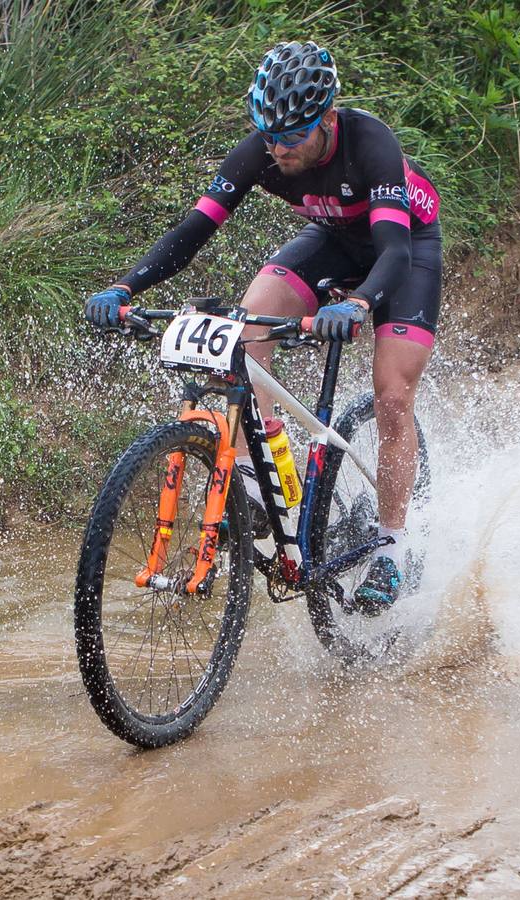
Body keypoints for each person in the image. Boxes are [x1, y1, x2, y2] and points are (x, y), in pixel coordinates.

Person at [83, 40, 443, 612]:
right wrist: (126, 287)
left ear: (327, 120)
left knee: (393, 395)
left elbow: (395, 251)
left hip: (401, 251)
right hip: (330, 239)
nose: (278, 149)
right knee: (248, 326)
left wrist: (358, 306)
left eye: (292, 137)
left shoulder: (370, 143)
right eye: (269, 135)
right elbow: (193, 231)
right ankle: (257, 481)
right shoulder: (261, 151)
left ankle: (393, 545)